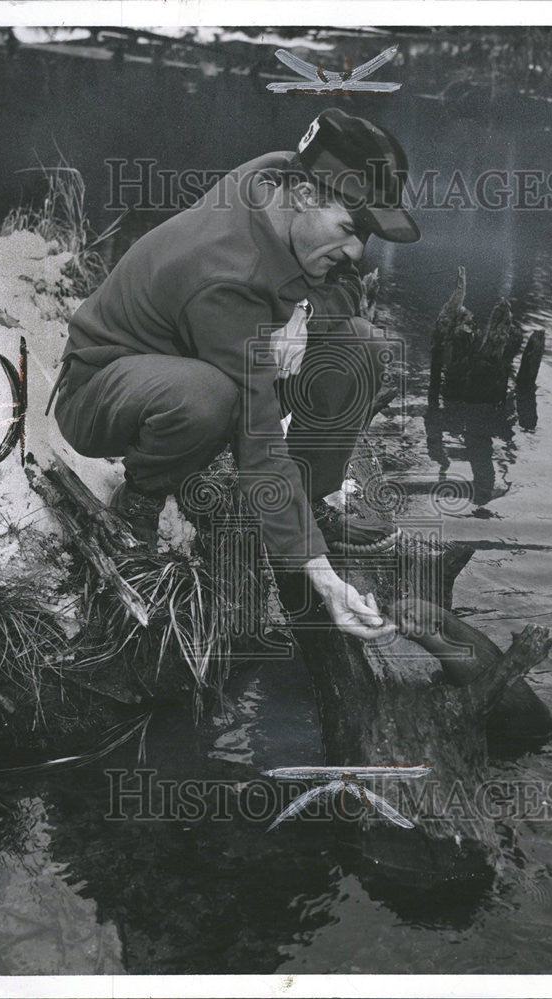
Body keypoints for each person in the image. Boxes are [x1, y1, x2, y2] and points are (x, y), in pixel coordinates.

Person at [52, 108, 420, 638]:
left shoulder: (274, 177)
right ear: (306, 195)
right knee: (213, 397)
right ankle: (142, 496)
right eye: (349, 227)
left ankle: (311, 503)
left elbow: (342, 285)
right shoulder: (223, 274)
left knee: (362, 346)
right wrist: (322, 578)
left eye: (365, 233)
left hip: (205, 352)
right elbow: (260, 436)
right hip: (101, 390)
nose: (357, 249)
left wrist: (302, 315)